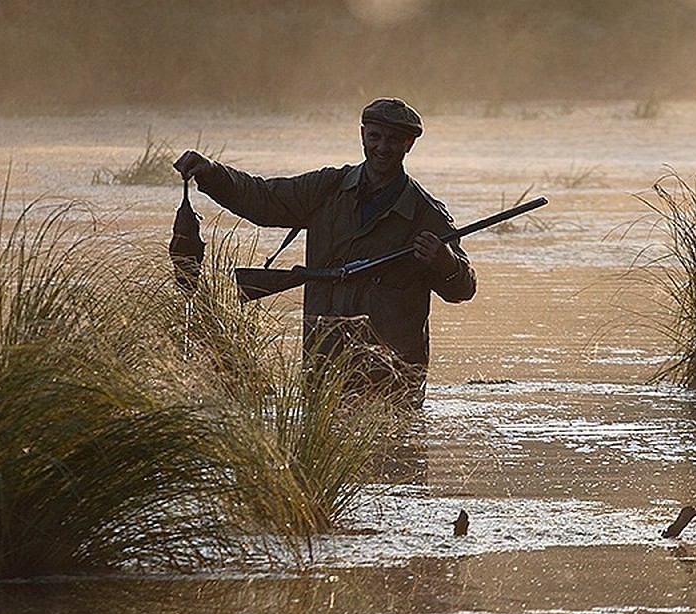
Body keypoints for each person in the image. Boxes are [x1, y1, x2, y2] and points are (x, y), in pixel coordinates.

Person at [172, 97, 476, 406]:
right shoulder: (327, 188)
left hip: (393, 381)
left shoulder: (427, 214)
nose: (383, 147)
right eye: (375, 136)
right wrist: (211, 173)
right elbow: (262, 199)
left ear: (409, 143)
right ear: (362, 135)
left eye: (394, 139)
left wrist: (446, 262)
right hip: (325, 369)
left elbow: (463, 289)